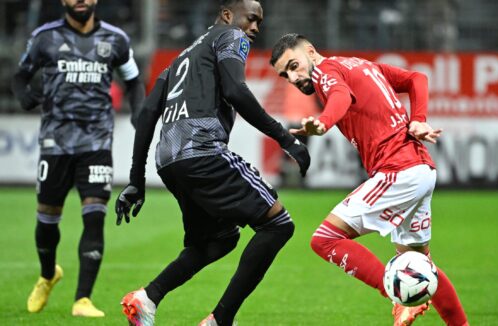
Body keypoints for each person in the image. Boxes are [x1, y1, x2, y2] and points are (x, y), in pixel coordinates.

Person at [115, 1, 310, 325]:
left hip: (170, 160)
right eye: (252, 18)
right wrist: (285, 138)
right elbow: (235, 89)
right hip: (202, 149)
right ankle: (220, 320)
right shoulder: (230, 37)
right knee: (278, 224)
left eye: (260, 22)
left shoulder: (179, 60)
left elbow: (148, 112)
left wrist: (136, 179)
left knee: (218, 240)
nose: (255, 28)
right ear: (227, 15)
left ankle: (147, 298)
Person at [270, 34, 468, 326]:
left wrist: (324, 122)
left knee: (324, 240)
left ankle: (395, 296)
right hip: (421, 169)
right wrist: (419, 117)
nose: (293, 77)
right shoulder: (362, 65)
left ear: (311, 52)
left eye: (294, 65)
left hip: (397, 170)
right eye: (285, 74)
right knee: (419, 264)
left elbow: (341, 97)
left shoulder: (325, 71)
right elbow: (417, 78)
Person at [11, 0, 145, 317]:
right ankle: (47, 275)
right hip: (55, 141)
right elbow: (20, 77)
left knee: (95, 213)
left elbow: (134, 81)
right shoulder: (44, 37)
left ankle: (82, 299)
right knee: (47, 217)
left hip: (97, 140)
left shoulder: (116, 39)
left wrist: (139, 114)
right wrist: (26, 97)